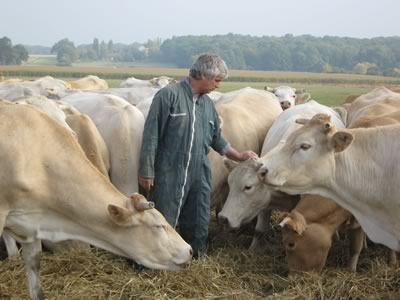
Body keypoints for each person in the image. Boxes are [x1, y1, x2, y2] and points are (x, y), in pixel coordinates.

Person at [138, 53, 257, 258]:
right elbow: (151, 135)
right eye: (217, 80)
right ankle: (157, 262)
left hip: (199, 171)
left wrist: (239, 154)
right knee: (165, 218)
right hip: (169, 170)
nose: (218, 85)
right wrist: (147, 170)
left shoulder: (208, 105)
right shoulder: (168, 96)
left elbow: (216, 138)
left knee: (199, 217)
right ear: (203, 74)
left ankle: (196, 260)